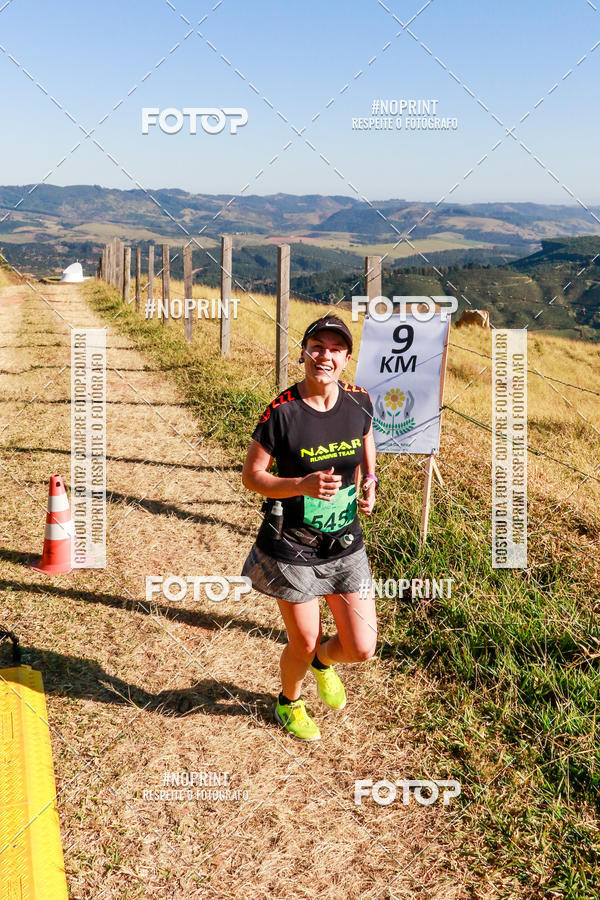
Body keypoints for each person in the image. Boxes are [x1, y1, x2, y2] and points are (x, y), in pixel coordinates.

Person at [241, 314, 378, 740]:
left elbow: (366, 437)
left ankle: (324, 662)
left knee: (361, 647)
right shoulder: (281, 411)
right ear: (303, 353)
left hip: (345, 542)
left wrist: (370, 479)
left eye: (336, 349)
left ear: (346, 358)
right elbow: (252, 476)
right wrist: (300, 485)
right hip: (293, 545)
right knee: (303, 639)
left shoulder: (359, 400)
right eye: (317, 347)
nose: (325, 356)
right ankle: (289, 701)